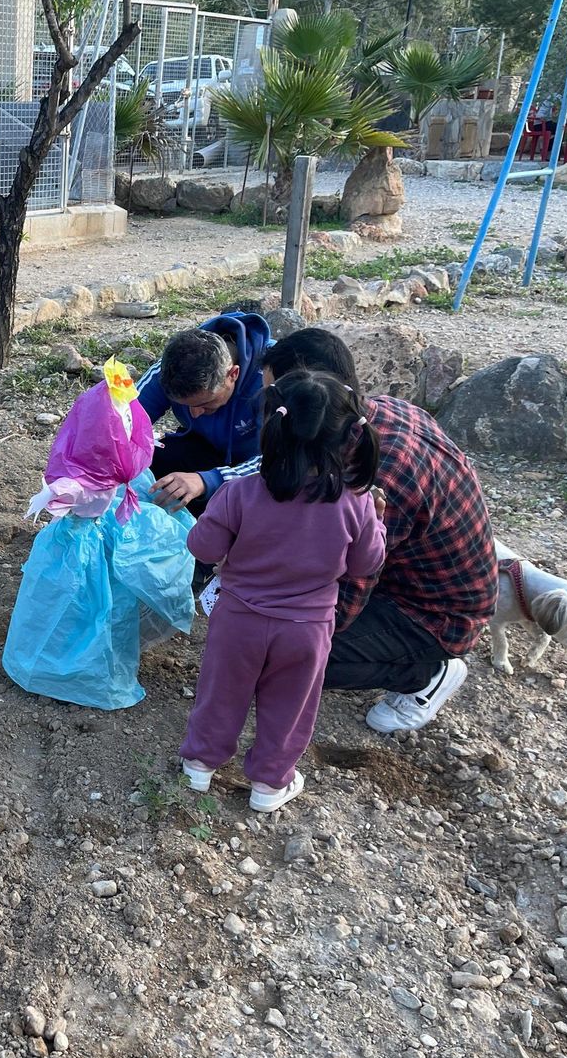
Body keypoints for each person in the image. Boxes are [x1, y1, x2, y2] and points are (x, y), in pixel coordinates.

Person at [212, 328, 497, 732]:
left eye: (278, 403)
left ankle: (427, 675)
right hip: (404, 569)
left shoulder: (372, 476)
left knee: (281, 656)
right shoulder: (371, 419)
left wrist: (263, 614)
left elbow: (348, 591)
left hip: (434, 614)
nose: (271, 415)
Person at [179, 372, 385, 812]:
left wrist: (218, 521)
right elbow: (366, 565)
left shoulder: (240, 493)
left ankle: (200, 765)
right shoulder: (357, 502)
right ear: (350, 438)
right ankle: (270, 785)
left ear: (271, 427)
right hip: (307, 629)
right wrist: (378, 524)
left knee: (221, 693)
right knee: (290, 707)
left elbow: (203, 547)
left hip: (238, 620)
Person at [136, 310, 272, 517]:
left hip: (257, 470)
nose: (195, 414)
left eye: (206, 403)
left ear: (232, 374)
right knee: (149, 469)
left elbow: (278, 461)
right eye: (184, 405)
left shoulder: (271, 379)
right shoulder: (172, 368)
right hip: (203, 449)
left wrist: (208, 480)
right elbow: (123, 421)